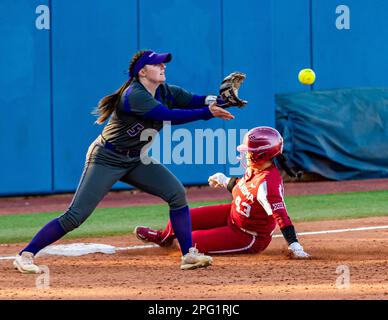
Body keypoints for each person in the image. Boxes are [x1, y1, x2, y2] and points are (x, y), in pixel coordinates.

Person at [13, 49, 236, 273]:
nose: (163, 67)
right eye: (157, 64)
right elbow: (168, 116)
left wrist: (223, 101)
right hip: (106, 158)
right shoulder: (134, 95)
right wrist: (209, 112)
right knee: (75, 216)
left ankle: (188, 254)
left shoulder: (166, 91)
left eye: (163, 63)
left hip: (136, 159)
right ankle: (25, 255)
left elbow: (195, 100)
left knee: (177, 193)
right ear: (142, 71)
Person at [135, 126, 311, 258]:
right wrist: (224, 180)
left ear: (261, 155)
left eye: (250, 151)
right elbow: (244, 191)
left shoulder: (267, 184)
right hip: (231, 215)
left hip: (247, 236)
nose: (246, 154)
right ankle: (163, 238)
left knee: (188, 244)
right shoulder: (256, 169)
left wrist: (294, 245)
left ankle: (182, 245)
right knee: (182, 218)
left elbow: (280, 215)